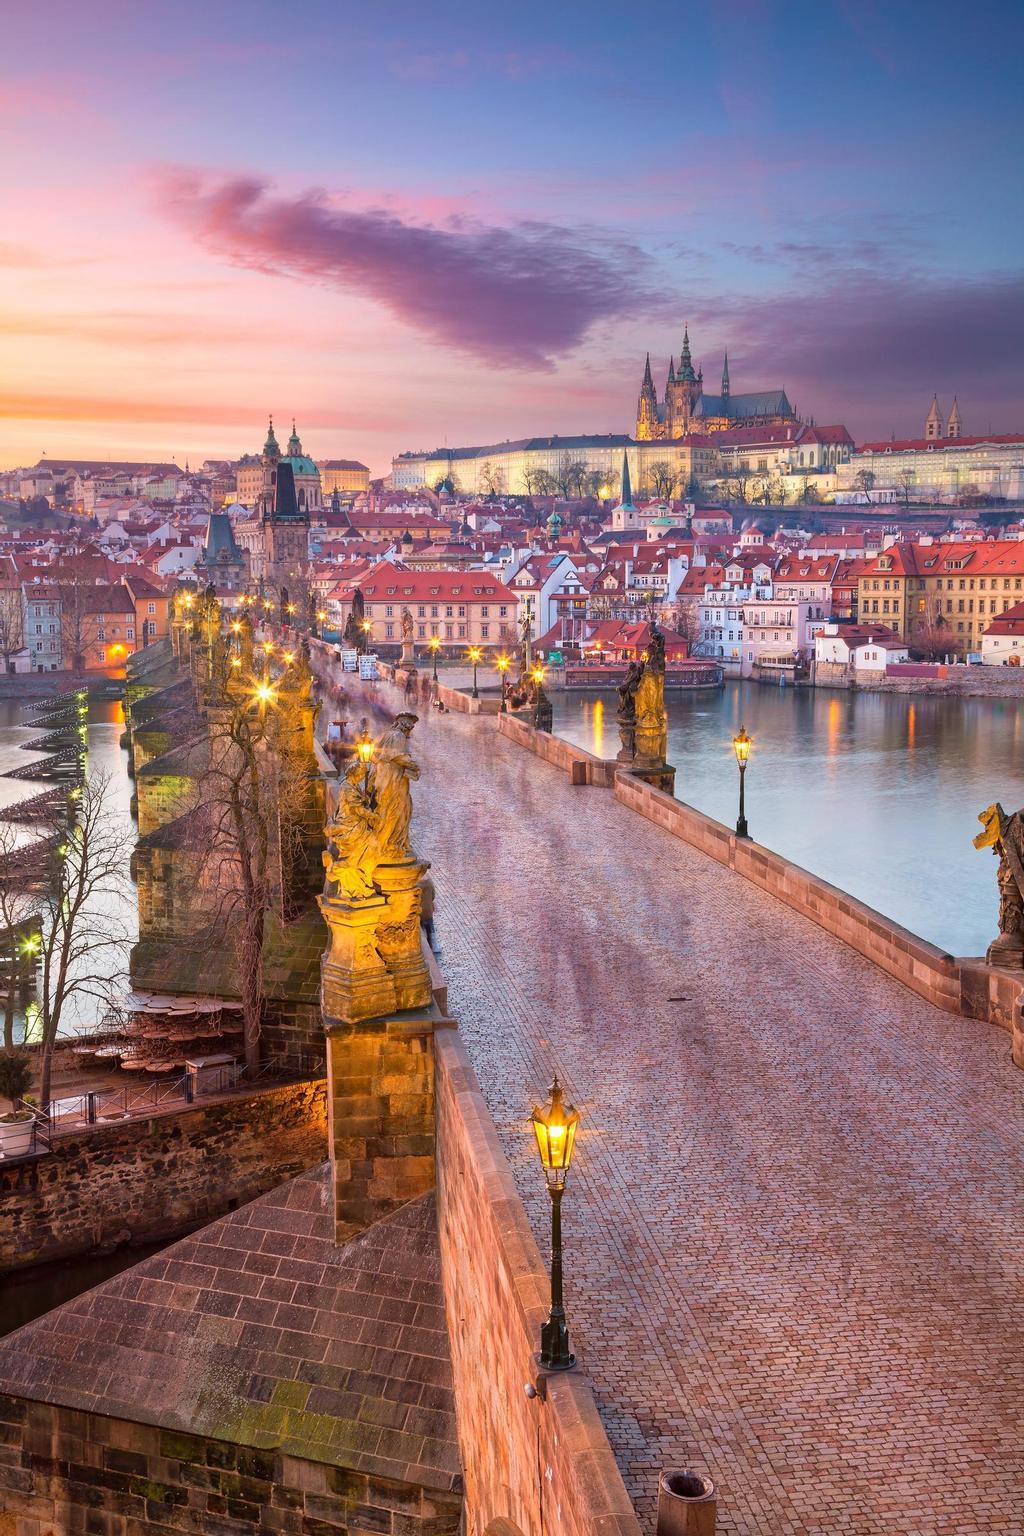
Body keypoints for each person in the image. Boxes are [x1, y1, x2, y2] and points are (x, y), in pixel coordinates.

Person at [419, 872, 436, 951]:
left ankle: (424, 948)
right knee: (430, 929)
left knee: (421, 930)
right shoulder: (429, 882)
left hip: (419, 911)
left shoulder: (415, 885)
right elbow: (433, 895)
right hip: (428, 910)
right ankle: (431, 946)